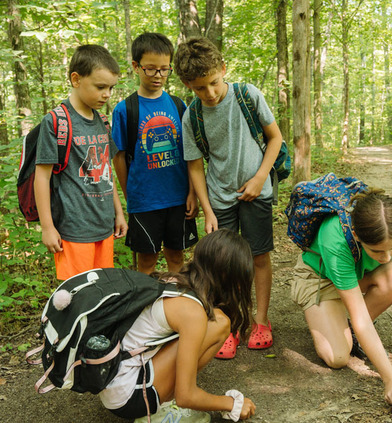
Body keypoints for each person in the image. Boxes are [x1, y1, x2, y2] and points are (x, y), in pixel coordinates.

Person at [173, 37, 283, 358]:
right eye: (199, 89)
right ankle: (230, 324)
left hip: (257, 192)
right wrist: (207, 209)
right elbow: (195, 167)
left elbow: (274, 138)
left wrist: (260, 177)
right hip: (219, 198)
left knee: (258, 256)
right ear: (187, 85)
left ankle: (260, 320)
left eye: (214, 83)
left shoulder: (248, 95)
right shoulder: (191, 117)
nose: (209, 93)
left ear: (223, 69)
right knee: (221, 264)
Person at [99, 229, 256, 422]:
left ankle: (158, 401)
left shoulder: (172, 282)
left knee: (213, 319)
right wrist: (231, 403)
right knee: (220, 322)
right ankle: (160, 412)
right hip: (130, 397)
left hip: (114, 383)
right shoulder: (192, 312)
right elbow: (186, 396)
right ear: (227, 275)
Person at [291, 189, 392, 411]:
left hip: (356, 277)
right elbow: (360, 316)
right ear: (358, 236)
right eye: (377, 251)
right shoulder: (335, 236)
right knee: (338, 357)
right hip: (321, 278)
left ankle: (344, 326)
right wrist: (390, 379)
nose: (387, 257)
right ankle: (332, 320)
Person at [34, 44, 128, 281]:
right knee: (76, 294)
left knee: (103, 291)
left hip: (104, 227)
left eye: (110, 88)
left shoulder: (102, 122)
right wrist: (47, 227)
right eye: (100, 87)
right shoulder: (56, 122)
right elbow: (42, 177)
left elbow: (106, 171)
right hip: (74, 229)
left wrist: (118, 213)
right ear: (76, 79)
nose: (107, 94)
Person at [112, 32, 198, 275]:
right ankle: (146, 309)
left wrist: (192, 192)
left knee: (176, 256)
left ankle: (176, 305)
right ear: (136, 67)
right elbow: (118, 157)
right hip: (144, 201)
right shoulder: (125, 109)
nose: (158, 75)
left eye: (164, 69)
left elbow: (189, 153)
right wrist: (131, 196)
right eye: (151, 69)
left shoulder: (179, 105)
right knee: (147, 262)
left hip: (178, 198)